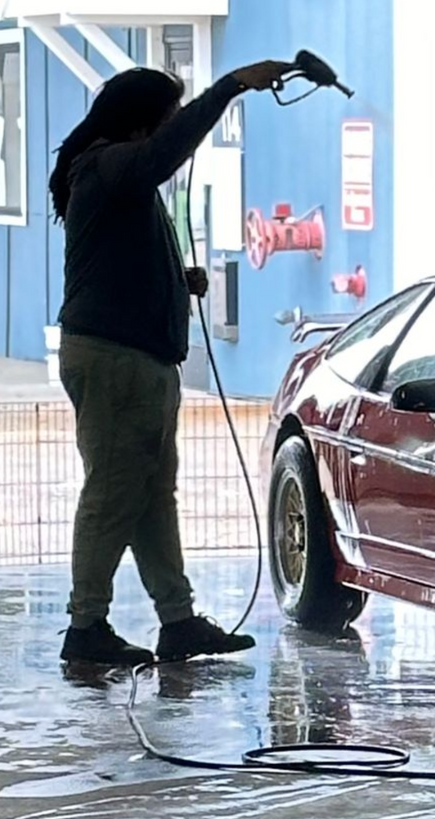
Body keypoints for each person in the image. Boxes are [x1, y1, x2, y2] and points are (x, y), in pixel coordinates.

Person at [48, 58, 292, 666]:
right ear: (143, 122)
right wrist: (231, 87)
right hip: (116, 362)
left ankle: (177, 620)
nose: (171, 130)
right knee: (112, 491)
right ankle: (86, 629)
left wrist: (174, 279)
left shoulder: (115, 180)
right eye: (166, 118)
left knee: (151, 494)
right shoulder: (108, 166)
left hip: (135, 361)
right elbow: (162, 156)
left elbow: (113, 260)